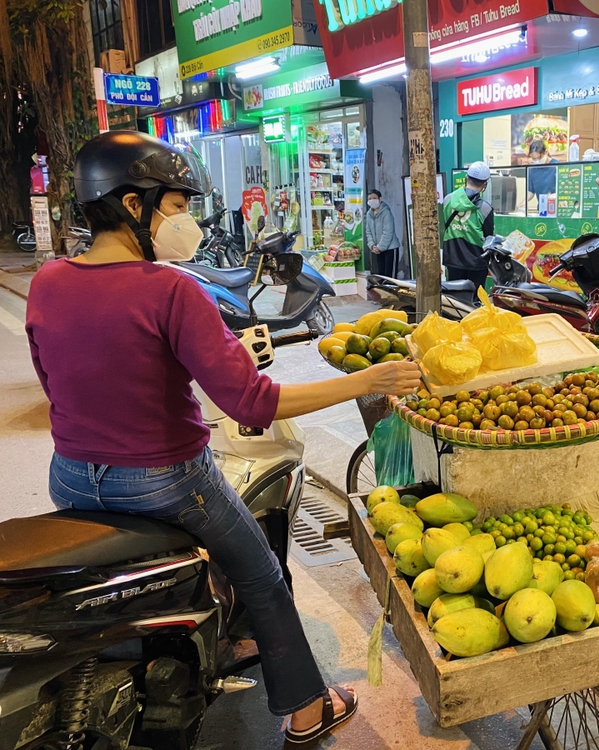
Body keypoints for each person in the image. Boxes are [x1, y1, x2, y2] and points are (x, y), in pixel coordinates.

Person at [24, 131, 423, 745]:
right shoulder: (172, 289)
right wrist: (368, 379)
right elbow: (252, 404)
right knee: (263, 574)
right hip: (164, 481)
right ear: (135, 205)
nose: (186, 220)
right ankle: (307, 706)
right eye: (178, 205)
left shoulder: (49, 281)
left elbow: (63, 379)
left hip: (72, 473)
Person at [441, 161, 494, 291]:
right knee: (474, 300)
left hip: (452, 258)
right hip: (476, 262)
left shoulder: (447, 200)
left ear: (466, 178)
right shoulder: (485, 209)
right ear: (484, 184)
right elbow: (489, 238)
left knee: (454, 298)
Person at [364, 189, 400, 278]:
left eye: (374, 198)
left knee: (389, 278)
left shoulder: (386, 212)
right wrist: (372, 245)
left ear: (380, 199)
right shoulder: (369, 214)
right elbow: (368, 232)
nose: (372, 200)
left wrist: (380, 247)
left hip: (390, 249)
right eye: (370, 199)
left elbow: (388, 232)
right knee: (380, 276)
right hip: (377, 250)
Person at [526, 140, 558, 216]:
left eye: (538, 158)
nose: (536, 161)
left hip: (556, 210)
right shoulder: (533, 169)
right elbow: (531, 191)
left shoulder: (557, 166)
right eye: (533, 159)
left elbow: (564, 189)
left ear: (546, 152)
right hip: (542, 210)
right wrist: (521, 204)